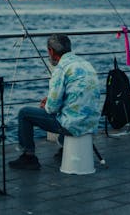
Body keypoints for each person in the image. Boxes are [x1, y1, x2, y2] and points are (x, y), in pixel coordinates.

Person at [9, 33, 101, 170]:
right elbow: (76, 97)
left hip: (72, 125)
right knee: (69, 112)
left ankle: (28, 156)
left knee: (24, 113)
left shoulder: (61, 69)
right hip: (92, 122)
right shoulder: (85, 64)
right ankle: (65, 149)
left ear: (51, 51)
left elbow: (51, 109)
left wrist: (47, 103)